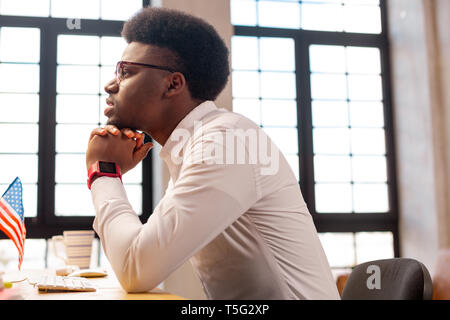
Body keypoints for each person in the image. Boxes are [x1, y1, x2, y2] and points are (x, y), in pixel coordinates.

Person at [86, 7, 340, 300]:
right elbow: (139, 259)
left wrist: (103, 171)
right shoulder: (200, 145)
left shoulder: (225, 143)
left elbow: (136, 268)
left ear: (173, 84)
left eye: (125, 71)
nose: (110, 85)